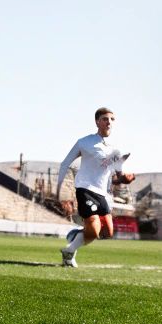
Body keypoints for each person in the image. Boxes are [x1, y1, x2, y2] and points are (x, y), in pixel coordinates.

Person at [55, 107, 134, 268]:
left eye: (112, 119)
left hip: (102, 194)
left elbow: (118, 176)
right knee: (94, 228)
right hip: (85, 188)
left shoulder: (115, 150)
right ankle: (71, 247)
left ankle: (74, 239)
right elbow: (65, 163)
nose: (109, 122)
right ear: (97, 121)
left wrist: (126, 178)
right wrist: (58, 189)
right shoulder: (84, 142)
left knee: (107, 233)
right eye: (105, 119)